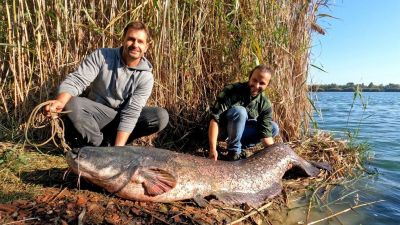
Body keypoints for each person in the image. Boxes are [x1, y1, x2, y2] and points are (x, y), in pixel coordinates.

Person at [44, 21, 168, 147]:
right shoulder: (102, 55)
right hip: (96, 116)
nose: (135, 45)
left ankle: (116, 145)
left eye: (140, 41)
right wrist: (59, 102)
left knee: (160, 116)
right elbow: (77, 80)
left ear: (147, 46)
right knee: (71, 103)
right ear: (123, 40)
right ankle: (101, 148)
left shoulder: (146, 77)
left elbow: (131, 112)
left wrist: (118, 148)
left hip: (121, 119)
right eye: (131, 39)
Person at [208, 64, 279, 161]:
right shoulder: (231, 90)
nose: (257, 86)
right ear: (250, 77)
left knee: (274, 128)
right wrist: (213, 149)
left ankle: (241, 148)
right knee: (240, 111)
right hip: (222, 131)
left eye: (262, 83)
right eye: (254, 80)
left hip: (241, 133)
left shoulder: (265, 103)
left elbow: (265, 135)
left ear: (267, 85)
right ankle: (234, 152)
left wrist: (276, 157)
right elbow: (214, 120)